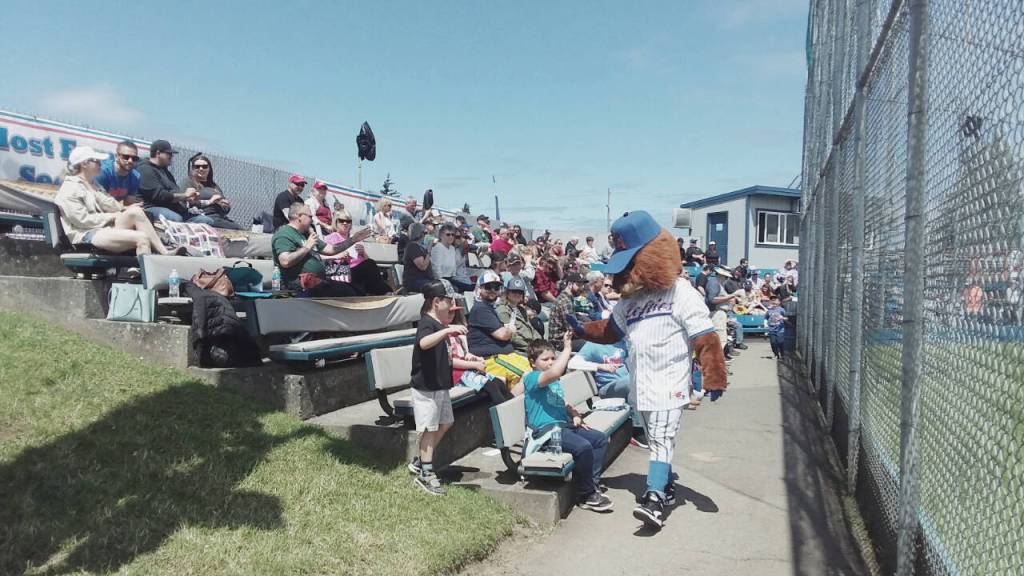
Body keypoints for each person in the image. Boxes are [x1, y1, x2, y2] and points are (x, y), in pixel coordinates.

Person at [523, 336, 613, 512]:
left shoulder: (553, 382)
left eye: (552, 358)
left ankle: (591, 485)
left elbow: (560, 402)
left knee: (600, 439)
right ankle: (585, 495)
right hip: (546, 435)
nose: (550, 362)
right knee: (583, 447)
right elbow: (555, 372)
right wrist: (566, 348)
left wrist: (574, 413)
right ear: (533, 363)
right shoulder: (532, 378)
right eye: (545, 359)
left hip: (563, 427)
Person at [55, 146, 182, 259]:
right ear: (84, 164)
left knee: (135, 212)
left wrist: (126, 208)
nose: (101, 163)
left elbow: (110, 204)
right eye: (97, 161)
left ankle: (164, 252)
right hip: (86, 235)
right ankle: (145, 274)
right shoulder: (70, 188)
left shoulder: (93, 184)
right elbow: (82, 221)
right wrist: (114, 216)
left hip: (102, 228)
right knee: (141, 238)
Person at [408, 280, 462, 496]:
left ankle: (421, 461)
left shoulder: (439, 324)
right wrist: (447, 331)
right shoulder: (427, 323)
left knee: (446, 422)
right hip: (427, 387)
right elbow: (423, 343)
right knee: (429, 429)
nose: (451, 305)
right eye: (448, 301)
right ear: (436, 301)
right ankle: (426, 474)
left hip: (440, 385)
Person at [272, 202, 371, 296]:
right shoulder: (284, 234)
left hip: (317, 282)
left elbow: (331, 249)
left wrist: (352, 240)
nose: (312, 220)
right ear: (299, 216)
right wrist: (307, 247)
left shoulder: (306, 234)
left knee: (356, 289)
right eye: (310, 216)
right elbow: (285, 261)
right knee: (347, 293)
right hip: (299, 285)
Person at [467, 271, 531, 393]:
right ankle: (510, 408)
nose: (492, 290)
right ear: (480, 289)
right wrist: (510, 330)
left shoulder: (489, 308)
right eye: (488, 287)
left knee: (535, 371)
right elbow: (503, 335)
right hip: (491, 358)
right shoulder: (480, 308)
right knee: (526, 377)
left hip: (506, 356)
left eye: (496, 287)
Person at [577, 340, 646, 446]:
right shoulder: (593, 344)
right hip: (607, 388)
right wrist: (599, 366)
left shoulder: (623, 342)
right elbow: (572, 363)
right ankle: (637, 430)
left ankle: (648, 423)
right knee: (632, 381)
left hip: (626, 384)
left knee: (641, 378)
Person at [137, 139, 214, 225]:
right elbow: (160, 196)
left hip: (171, 208)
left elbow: (175, 191)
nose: (171, 156)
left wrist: (188, 197)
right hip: (152, 208)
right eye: (169, 154)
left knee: (206, 220)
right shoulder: (145, 169)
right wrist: (184, 195)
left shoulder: (166, 172)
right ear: (158, 153)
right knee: (175, 218)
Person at [322, 209, 392, 295]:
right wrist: (337, 256)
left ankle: (384, 292)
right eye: (341, 221)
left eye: (348, 221)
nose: (345, 223)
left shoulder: (354, 237)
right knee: (370, 265)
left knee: (370, 264)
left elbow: (366, 259)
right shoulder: (330, 238)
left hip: (359, 270)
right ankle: (385, 292)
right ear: (336, 222)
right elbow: (321, 256)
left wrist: (363, 253)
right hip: (345, 270)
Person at [181, 153, 242, 230]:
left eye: (204, 166)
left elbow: (225, 209)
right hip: (203, 216)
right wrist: (210, 201)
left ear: (209, 169)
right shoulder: (188, 182)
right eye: (197, 167)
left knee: (239, 228)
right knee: (236, 228)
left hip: (220, 217)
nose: (201, 169)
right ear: (192, 169)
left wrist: (225, 205)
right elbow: (185, 202)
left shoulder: (214, 186)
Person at [496, 277, 544, 355]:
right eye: (514, 291)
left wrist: (540, 343)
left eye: (520, 292)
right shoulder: (502, 310)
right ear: (508, 292)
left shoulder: (521, 310)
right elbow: (511, 336)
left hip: (533, 347)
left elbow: (532, 329)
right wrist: (532, 348)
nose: (517, 294)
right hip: (520, 350)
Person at [548, 272, 587, 351]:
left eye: (582, 285)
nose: (581, 288)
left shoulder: (566, 297)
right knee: (591, 344)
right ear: (570, 284)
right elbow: (572, 329)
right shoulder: (566, 302)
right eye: (579, 285)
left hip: (563, 338)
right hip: (559, 342)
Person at [94, 140, 140, 205]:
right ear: (116, 156)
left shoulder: (135, 176)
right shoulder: (103, 172)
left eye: (134, 158)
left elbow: (129, 203)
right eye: (126, 157)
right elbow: (98, 201)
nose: (130, 161)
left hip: (113, 208)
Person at [431, 224, 474, 292]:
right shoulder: (439, 248)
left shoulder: (454, 249)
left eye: (453, 235)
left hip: (456, 279)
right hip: (444, 280)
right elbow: (436, 269)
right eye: (448, 234)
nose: (451, 237)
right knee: (470, 288)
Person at [402, 223, 435, 293]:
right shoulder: (412, 246)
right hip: (415, 281)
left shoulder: (421, 247)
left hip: (424, 280)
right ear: (420, 234)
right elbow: (423, 266)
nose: (426, 235)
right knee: (438, 288)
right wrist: (429, 251)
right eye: (425, 232)